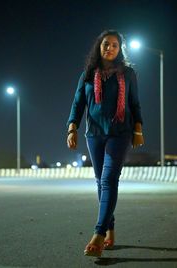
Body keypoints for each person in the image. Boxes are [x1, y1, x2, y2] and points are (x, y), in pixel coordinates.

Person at [66, 29, 144, 257]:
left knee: (109, 179)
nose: (109, 48)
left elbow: (135, 103)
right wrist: (72, 128)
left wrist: (138, 129)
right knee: (101, 182)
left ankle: (98, 234)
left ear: (119, 50)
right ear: (99, 47)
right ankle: (110, 228)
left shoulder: (128, 74)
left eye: (114, 45)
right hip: (94, 134)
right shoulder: (88, 75)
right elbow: (78, 103)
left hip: (120, 133)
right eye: (105, 44)